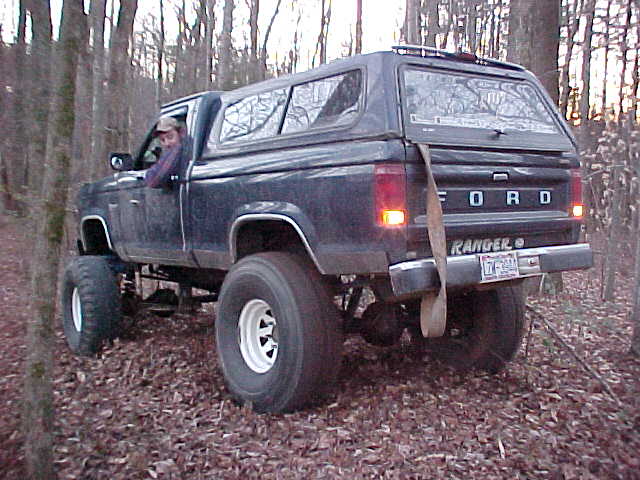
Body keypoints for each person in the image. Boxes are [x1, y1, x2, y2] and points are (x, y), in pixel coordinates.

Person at [144, 117, 190, 188]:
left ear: (181, 134)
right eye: (162, 140)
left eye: (170, 137)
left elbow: (153, 180)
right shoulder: (168, 153)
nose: (167, 143)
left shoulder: (179, 150)